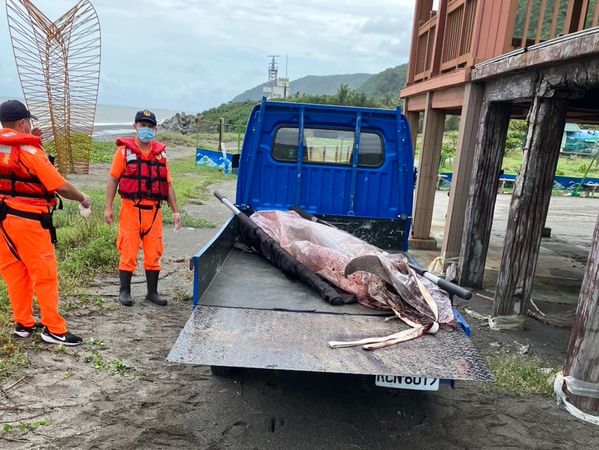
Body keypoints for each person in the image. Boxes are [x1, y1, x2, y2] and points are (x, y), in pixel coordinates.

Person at [0, 99, 91, 346]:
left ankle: (23, 324)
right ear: (22, 122)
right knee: (45, 275)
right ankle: (54, 329)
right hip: (29, 222)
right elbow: (58, 185)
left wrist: (33, 141)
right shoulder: (30, 151)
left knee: (15, 273)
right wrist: (83, 198)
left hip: (3, 223)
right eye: (28, 122)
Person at [104, 110, 181, 307]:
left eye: (150, 126)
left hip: (154, 211)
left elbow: (168, 184)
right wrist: (108, 208)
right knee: (128, 250)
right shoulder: (124, 152)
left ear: (155, 129)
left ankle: (152, 292)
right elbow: (113, 179)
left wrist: (175, 211)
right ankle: (125, 292)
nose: (146, 129)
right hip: (131, 209)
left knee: (154, 251)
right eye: (142, 125)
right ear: (135, 126)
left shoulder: (161, 154)